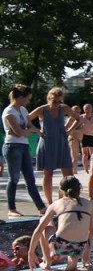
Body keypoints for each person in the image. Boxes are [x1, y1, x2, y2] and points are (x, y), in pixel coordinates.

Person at [29, 176, 93, 271]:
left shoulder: (56, 204)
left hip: (59, 244)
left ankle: (47, 261)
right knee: (72, 260)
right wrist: (86, 254)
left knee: (43, 221)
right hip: (80, 247)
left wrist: (31, 252)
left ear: (60, 190)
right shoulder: (89, 204)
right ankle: (73, 259)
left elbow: (38, 230)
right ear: (80, 188)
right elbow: (92, 231)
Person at [29, 87, 80, 209]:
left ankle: (63, 200)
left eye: (59, 101)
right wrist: (37, 130)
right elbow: (26, 119)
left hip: (61, 143)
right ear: (49, 99)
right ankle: (50, 203)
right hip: (47, 143)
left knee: (68, 175)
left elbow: (78, 118)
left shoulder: (64, 108)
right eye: (54, 101)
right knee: (48, 174)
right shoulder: (42, 109)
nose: (57, 104)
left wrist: (69, 130)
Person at [4, 86, 47, 219]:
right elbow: (19, 132)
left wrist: (36, 131)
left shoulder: (23, 110)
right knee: (14, 179)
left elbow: (28, 127)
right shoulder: (9, 112)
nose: (28, 101)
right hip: (12, 147)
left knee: (30, 179)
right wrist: (29, 131)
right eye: (28, 98)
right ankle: (11, 208)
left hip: (24, 146)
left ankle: (41, 207)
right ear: (21, 98)